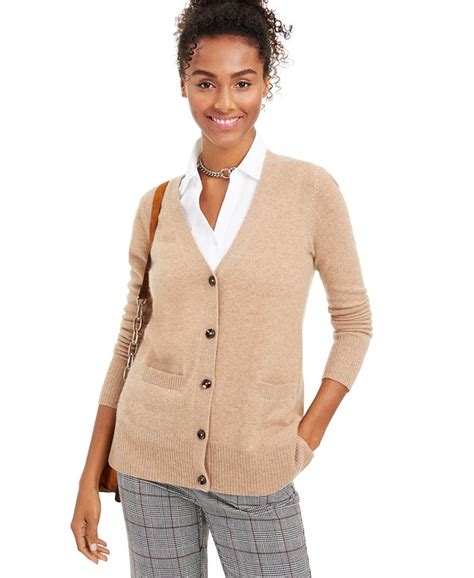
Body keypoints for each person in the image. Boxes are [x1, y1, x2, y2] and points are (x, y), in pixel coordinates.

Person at [70, 0, 373, 576]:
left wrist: (306, 435)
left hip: (258, 467)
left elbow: (355, 323)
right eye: (205, 82)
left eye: (243, 82)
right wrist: (90, 474)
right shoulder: (158, 204)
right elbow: (129, 340)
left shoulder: (311, 192)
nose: (224, 103)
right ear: (184, 84)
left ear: (265, 84)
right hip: (148, 462)